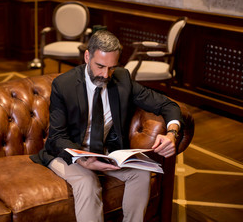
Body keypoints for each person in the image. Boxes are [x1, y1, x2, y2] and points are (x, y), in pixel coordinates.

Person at [30, 30, 182, 222]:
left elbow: (167, 105)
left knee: (142, 174)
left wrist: (171, 133)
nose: (105, 74)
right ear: (87, 56)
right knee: (87, 182)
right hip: (69, 154)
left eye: (111, 67)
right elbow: (57, 137)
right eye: (100, 66)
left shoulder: (122, 78)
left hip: (106, 153)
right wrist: (83, 160)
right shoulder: (64, 85)